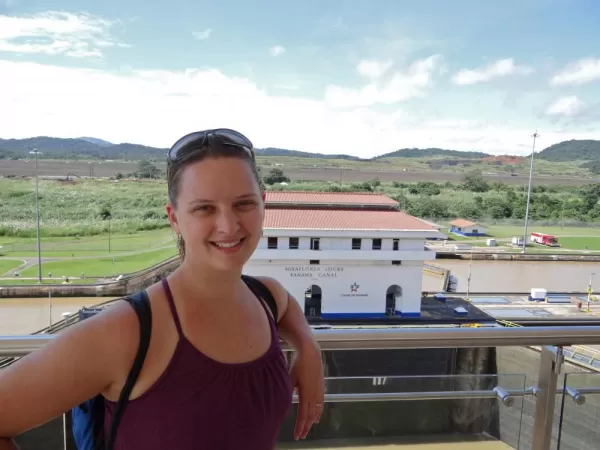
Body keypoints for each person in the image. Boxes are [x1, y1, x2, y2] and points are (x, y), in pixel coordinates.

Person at [0, 128, 325, 449]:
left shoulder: (266, 297)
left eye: (243, 204)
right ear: (174, 218)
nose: (228, 225)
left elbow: (288, 307)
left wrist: (309, 347)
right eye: (205, 208)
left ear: (263, 204)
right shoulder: (127, 332)